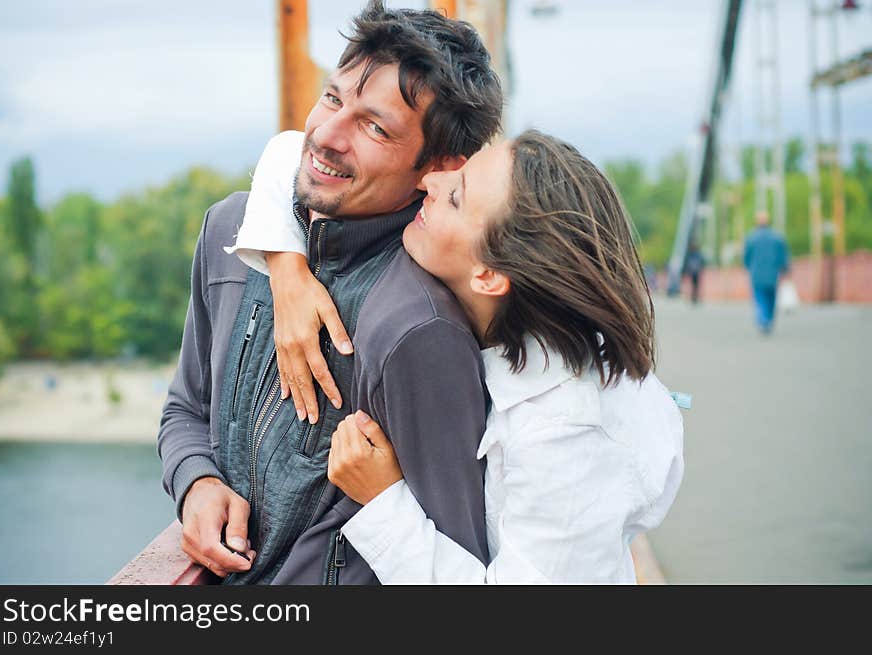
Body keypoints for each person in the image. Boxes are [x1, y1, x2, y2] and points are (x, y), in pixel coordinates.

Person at [157, 1, 503, 584]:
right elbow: (185, 409)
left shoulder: (421, 327)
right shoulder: (230, 233)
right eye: (333, 98)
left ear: (439, 167)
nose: (325, 136)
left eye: (375, 127)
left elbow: (459, 556)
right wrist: (197, 480)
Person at [247, 130, 685, 583]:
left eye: (455, 195)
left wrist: (382, 501)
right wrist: (287, 269)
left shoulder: (566, 440)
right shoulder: (539, 345)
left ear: (489, 275)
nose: (431, 182)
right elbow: (290, 149)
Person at [744, 210, 790, 334]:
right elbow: (783, 256)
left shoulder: (751, 238)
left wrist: (748, 267)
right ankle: (768, 318)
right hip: (772, 274)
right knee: (771, 298)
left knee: (759, 298)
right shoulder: (777, 237)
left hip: (757, 274)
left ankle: (763, 319)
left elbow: (747, 257)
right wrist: (785, 269)